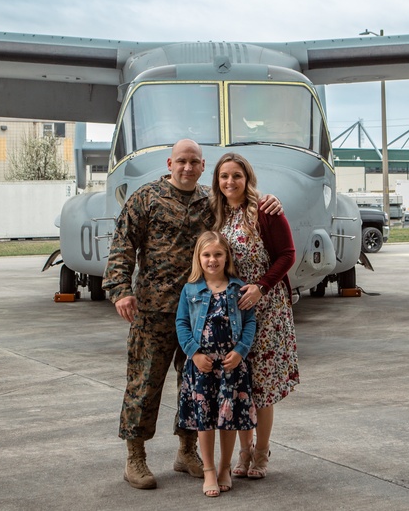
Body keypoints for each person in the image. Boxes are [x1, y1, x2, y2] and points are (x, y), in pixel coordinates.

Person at [104, 139, 281, 490]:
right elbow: (122, 243)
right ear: (170, 163)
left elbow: (239, 206)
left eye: (194, 162)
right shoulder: (146, 197)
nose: (187, 167)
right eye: (181, 161)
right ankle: (135, 456)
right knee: (144, 383)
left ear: (203, 166)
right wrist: (120, 290)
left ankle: (187, 451)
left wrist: (269, 201)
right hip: (153, 309)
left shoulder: (209, 201)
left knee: (197, 387)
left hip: (204, 314)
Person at [209, 152, 299, 480]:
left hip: (267, 309)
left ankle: (262, 452)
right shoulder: (215, 216)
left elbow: (288, 254)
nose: (230, 182)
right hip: (231, 315)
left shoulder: (264, 210)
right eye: (224, 176)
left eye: (237, 176)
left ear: (247, 179)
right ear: (217, 182)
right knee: (238, 386)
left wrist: (261, 286)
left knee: (261, 387)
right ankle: (243, 453)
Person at [175, 231, 257, 497]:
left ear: (227, 257)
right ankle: (208, 469)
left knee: (228, 418)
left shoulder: (238, 288)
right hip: (202, 367)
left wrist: (241, 351)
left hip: (232, 366)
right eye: (207, 255)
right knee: (205, 420)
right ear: (199, 258)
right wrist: (194, 353)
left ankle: (224, 467)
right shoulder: (190, 290)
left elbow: (250, 322)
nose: (212, 260)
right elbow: (182, 323)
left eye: (218, 254)